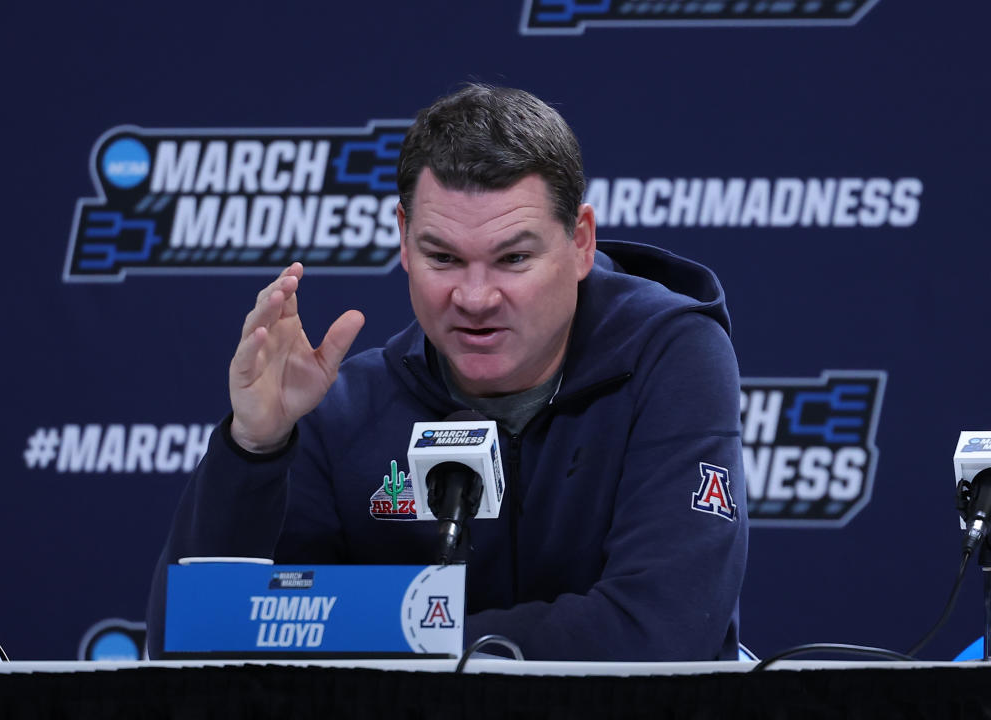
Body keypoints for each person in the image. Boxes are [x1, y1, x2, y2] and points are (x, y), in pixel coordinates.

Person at [147, 84, 747, 661]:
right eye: (443, 258)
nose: (476, 297)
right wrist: (254, 449)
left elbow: (660, 632)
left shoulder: (669, 354)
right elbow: (195, 638)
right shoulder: (344, 405)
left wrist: (389, 632)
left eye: (513, 258)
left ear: (581, 242)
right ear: (403, 240)